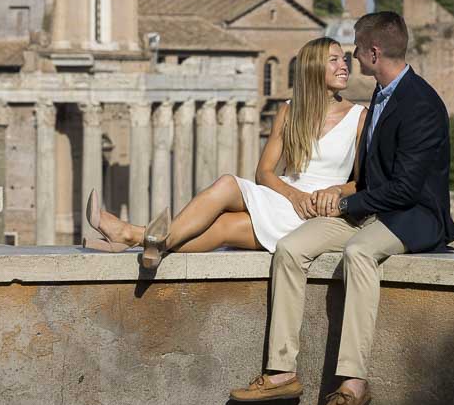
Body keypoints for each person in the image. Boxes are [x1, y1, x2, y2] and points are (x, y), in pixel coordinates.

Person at [230, 11, 454, 405]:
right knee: (290, 248)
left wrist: (342, 204)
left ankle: (353, 382)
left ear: (373, 52)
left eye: (355, 47)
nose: (352, 55)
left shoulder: (422, 103)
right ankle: (281, 370)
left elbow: (406, 189)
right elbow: (366, 177)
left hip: (413, 215)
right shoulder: (379, 98)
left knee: (358, 253)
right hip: (370, 208)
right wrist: (339, 195)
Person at [83, 37, 367, 270]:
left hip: (315, 212)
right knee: (227, 183)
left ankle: (132, 235)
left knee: (222, 228)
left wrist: (335, 191)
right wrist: (294, 196)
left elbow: (363, 182)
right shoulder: (289, 110)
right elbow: (264, 173)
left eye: (344, 60)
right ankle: (138, 237)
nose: (344, 65)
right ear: (314, 67)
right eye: (335, 60)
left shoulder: (359, 116)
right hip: (285, 196)